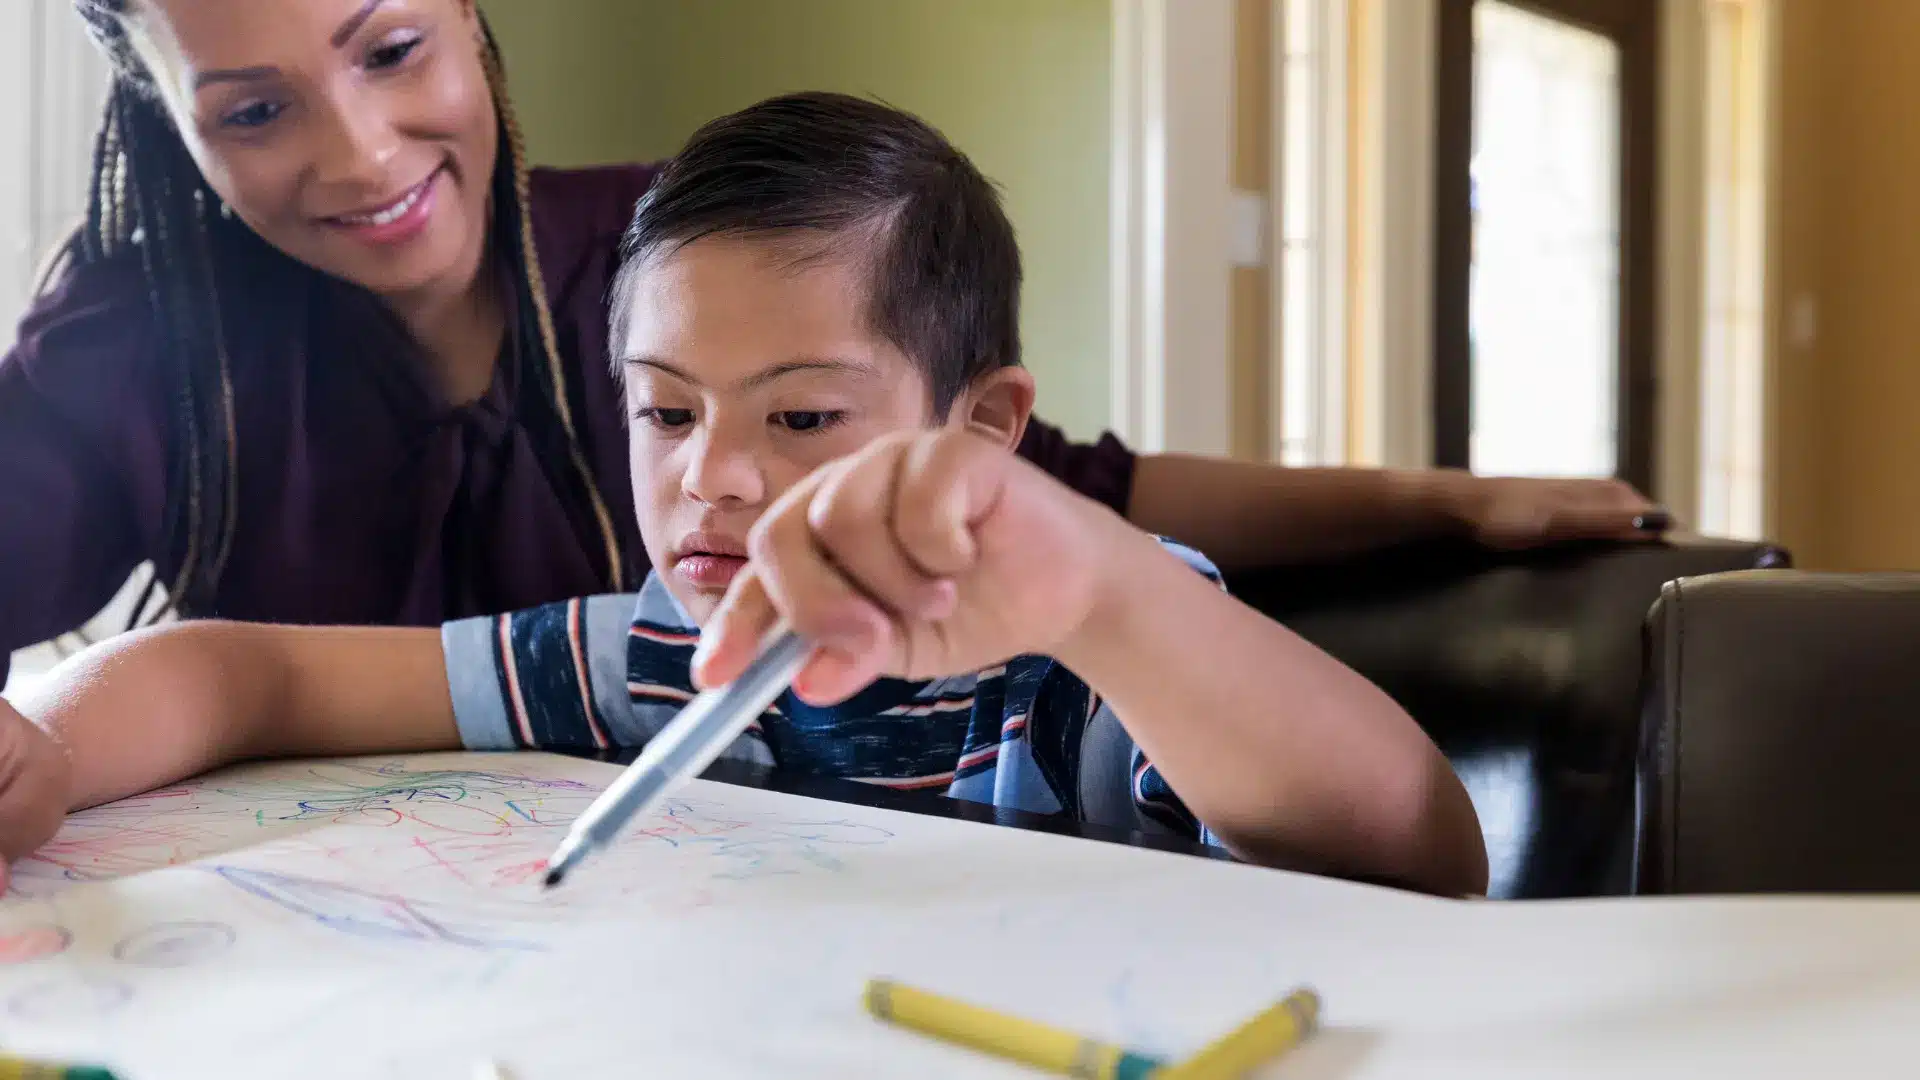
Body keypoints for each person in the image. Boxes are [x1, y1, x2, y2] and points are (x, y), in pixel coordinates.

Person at [0, 92, 1490, 899]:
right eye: (663, 411)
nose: (711, 476)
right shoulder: (662, 651)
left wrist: (1100, 590)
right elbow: (240, 673)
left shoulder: (1085, 653)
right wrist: (42, 757)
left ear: (983, 429)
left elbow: (1418, 849)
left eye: (803, 416)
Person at [0, 0, 1659, 687]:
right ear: (167, 118)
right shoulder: (138, 340)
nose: (358, 154)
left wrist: (1449, 503)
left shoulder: (669, 265)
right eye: (256, 109)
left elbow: (1060, 488)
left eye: (390, 49)